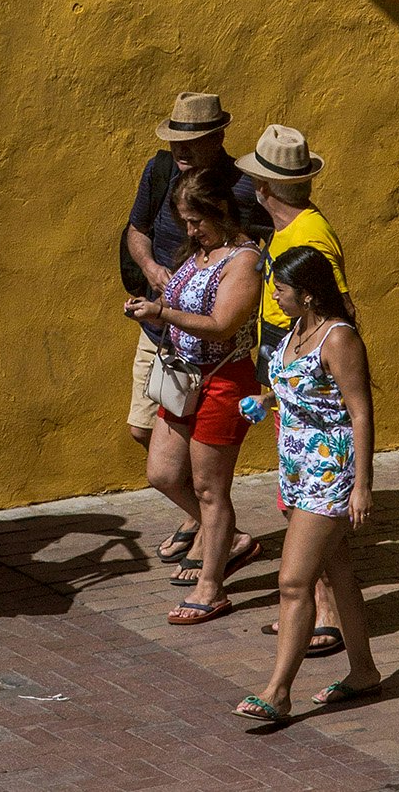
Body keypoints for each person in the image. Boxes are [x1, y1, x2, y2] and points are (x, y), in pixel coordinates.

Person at [122, 92, 272, 575]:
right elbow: (136, 230)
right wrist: (151, 269)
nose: (180, 150)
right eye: (175, 140)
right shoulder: (160, 170)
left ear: (218, 137)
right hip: (164, 334)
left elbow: (249, 257)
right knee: (144, 432)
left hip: (211, 352)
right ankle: (205, 519)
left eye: (191, 141)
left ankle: (214, 532)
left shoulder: (244, 188)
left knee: (201, 465)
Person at [232, 245, 380, 722]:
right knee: (337, 573)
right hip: (297, 470)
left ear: (309, 293)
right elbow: (306, 389)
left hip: (330, 473)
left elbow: (360, 412)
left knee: (293, 582)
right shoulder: (296, 329)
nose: (273, 293)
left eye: (281, 287)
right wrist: (268, 400)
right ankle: (364, 671)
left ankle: (278, 692)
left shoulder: (337, 339)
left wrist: (362, 484)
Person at [124, 174, 263, 625]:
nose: (190, 231)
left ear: (221, 212)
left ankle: (211, 585)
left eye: (196, 221)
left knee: (209, 488)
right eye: (184, 222)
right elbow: (181, 296)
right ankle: (233, 538)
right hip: (185, 377)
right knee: (163, 473)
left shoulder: (243, 260)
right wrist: (150, 302)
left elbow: (223, 323)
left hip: (222, 381)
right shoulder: (199, 253)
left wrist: (162, 311)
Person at [236, 122, 353, 658]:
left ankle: (321, 617)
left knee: (309, 512)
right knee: (297, 507)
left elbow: (337, 315)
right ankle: (309, 613)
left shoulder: (308, 237)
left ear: (264, 190)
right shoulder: (289, 232)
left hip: (311, 399)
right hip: (289, 385)